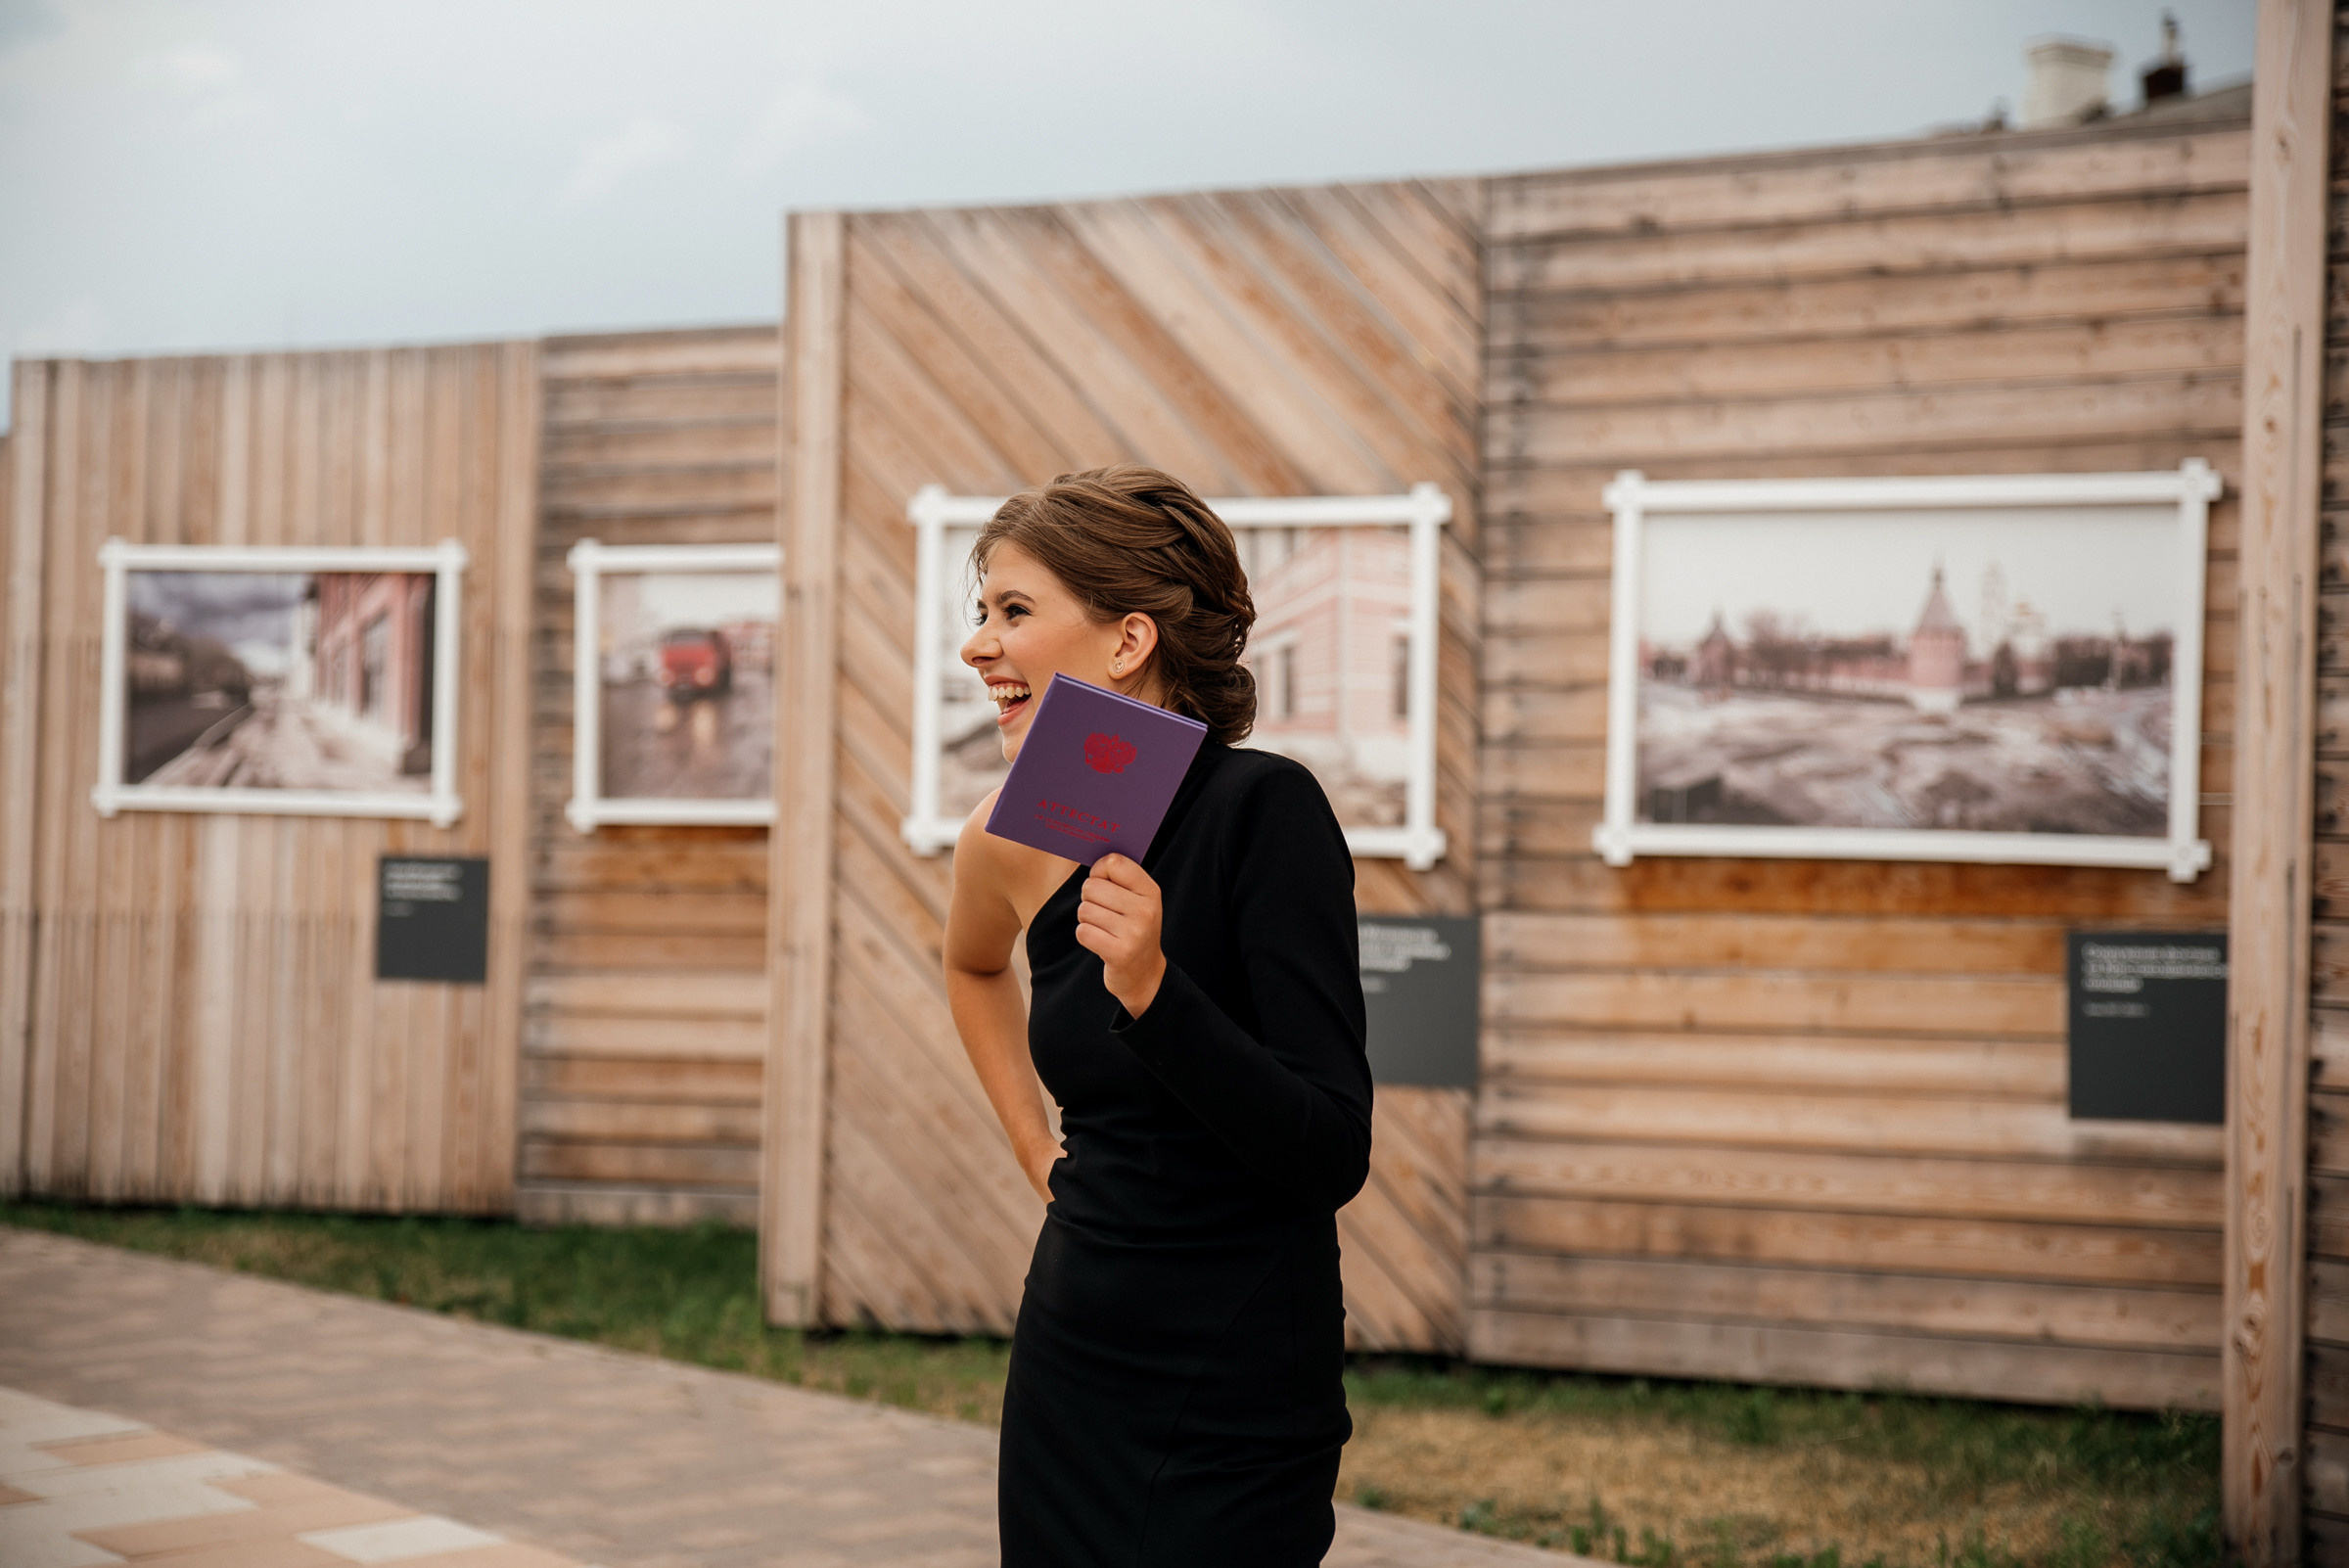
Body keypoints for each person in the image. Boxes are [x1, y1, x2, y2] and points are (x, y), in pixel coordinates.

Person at [943, 466, 1373, 1566]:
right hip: (1076, 1352)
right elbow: (974, 968)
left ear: (1128, 639)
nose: (978, 646)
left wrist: (1154, 991)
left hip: (1239, 1372)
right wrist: (1032, 1146)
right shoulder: (1007, 834)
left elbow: (1330, 1151)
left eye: (1013, 611)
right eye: (982, 613)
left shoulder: (1266, 812)